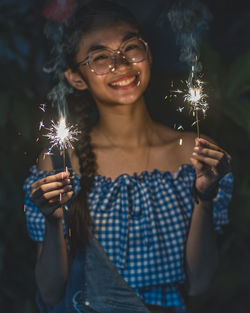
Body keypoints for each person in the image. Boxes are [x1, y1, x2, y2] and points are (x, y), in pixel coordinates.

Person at [23, 1, 233, 312]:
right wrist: (54, 222)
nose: (120, 64)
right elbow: (51, 293)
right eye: (100, 57)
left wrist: (205, 196)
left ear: (148, 53)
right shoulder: (61, 164)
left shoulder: (195, 154)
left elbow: (200, 282)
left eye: (130, 48)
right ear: (76, 77)